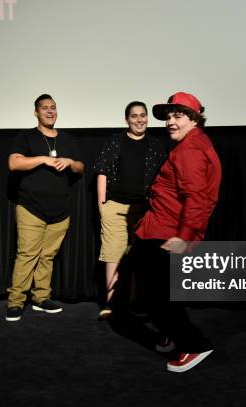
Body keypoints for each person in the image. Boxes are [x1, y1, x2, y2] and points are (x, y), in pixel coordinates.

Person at [114, 92, 222, 372]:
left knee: (156, 296)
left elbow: (197, 198)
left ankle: (195, 345)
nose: (170, 122)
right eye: (169, 117)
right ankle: (171, 332)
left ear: (195, 119)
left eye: (178, 116)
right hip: (159, 226)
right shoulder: (195, 142)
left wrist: (184, 237)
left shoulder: (189, 150)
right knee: (156, 288)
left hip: (168, 231)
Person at [5, 94, 84, 322]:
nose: (50, 111)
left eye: (53, 108)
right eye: (45, 108)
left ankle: (41, 298)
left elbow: (80, 168)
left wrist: (70, 162)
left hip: (60, 210)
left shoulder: (67, 139)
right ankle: (16, 301)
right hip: (31, 207)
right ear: (36, 112)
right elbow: (14, 163)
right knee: (27, 255)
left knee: (48, 256)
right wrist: (43, 159)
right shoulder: (27, 137)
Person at [94, 101, 166, 320]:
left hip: (144, 210)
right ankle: (111, 303)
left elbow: (163, 180)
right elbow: (103, 172)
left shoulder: (156, 145)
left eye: (143, 115)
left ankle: (134, 302)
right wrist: (101, 203)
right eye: (134, 116)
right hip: (115, 208)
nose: (139, 120)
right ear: (126, 119)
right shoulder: (115, 142)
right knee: (113, 255)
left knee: (138, 258)